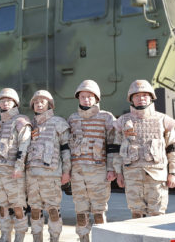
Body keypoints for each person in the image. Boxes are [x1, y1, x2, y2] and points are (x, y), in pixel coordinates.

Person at [113, 80, 175, 218]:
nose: (141, 98)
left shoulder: (164, 120)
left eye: (144, 95)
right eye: (136, 96)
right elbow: (117, 150)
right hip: (132, 177)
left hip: (156, 177)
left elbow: (173, 149)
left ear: (151, 97)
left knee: (157, 215)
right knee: (136, 214)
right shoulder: (122, 122)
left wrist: (173, 173)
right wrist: (118, 173)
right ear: (131, 99)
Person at [67, 80, 116, 242]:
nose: (86, 100)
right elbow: (67, 147)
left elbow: (113, 145)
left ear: (96, 99)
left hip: (99, 172)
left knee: (99, 211)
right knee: (81, 212)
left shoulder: (106, 118)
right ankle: (83, 239)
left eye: (90, 96)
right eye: (83, 97)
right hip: (78, 173)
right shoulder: (73, 119)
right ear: (78, 99)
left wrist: (112, 169)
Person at [26, 90, 71, 242]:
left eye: (42, 102)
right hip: (32, 176)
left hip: (51, 175)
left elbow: (66, 150)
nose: (39, 104)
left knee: (53, 211)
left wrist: (66, 172)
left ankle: (54, 239)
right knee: (35, 211)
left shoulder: (59, 123)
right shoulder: (30, 125)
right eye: (36, 102)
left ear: (49, 105)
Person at [0, 88, 31, 242]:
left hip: (14, 173)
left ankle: (20, 237)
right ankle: (5, 235)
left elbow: (24, 145)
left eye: (8, 100)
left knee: (18, 206)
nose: (5, 103)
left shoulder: (20, 121)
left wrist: (19, 167)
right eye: (2, 101)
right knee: (3, 206)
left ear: (15, 102)